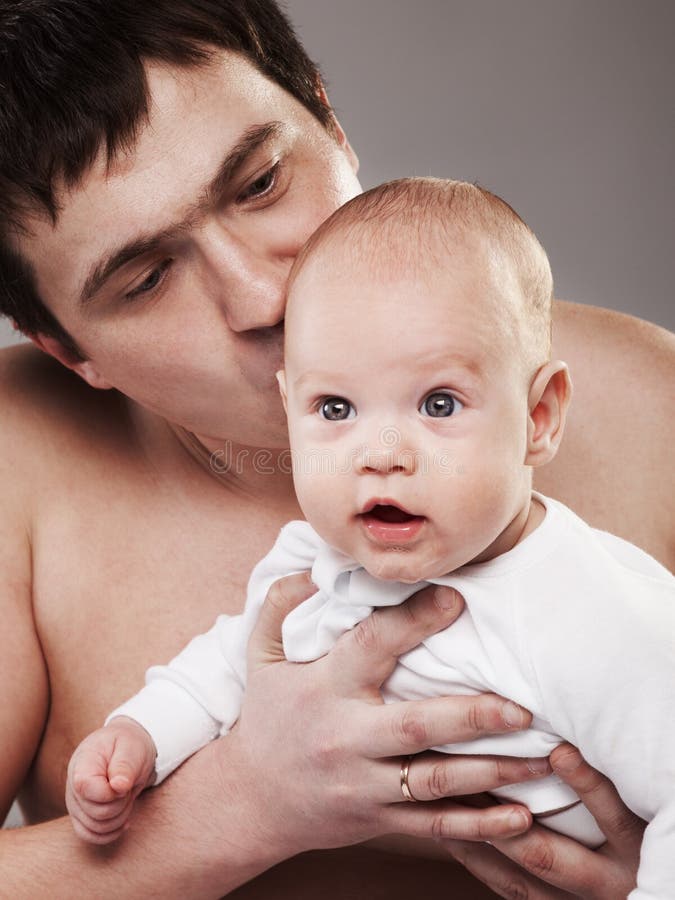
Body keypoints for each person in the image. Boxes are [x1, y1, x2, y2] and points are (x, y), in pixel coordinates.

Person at [0, 2, 668, 897]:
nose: (262, 295)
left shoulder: (650, 405)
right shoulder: (20, 466)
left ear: (331, 119)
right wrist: (240, 805)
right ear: (70, 351)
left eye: (262, 182)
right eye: (148, 278)